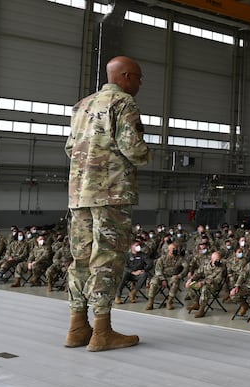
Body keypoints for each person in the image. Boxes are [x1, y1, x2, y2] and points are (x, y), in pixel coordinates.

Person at [64, 56, 150, 352]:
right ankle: (102, 332)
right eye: (138, 78)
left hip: (80, 195)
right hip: (112, 195)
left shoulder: (81, 106)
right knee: (107, 259)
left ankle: (77, 328)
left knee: (81, 259)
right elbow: (133, 149)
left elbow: (69, 148)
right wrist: (146, 154)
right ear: (125, 76)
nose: (139, 84)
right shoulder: (124, 103)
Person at [145, 242, 186, 310]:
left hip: (172, 277)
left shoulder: (180, 259)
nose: (176, 250)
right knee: (153, 282)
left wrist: (179, 275)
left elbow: (186, 267)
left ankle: (169, 302)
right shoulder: (162, 259)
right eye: (173, 249)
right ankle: (150, 302)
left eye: (176, 249)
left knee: (175, 283)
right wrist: (163, 279)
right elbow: (158, 271)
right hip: (161, 276)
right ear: (168, 250)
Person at [185, 251, 226, 318]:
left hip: (214, 285)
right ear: (212, 259)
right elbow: (198, 273)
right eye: (216, 259)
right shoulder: (206, 264)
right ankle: (196, 303)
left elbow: (217, 280)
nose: (218, 261)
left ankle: (202, 309)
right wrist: (191, 280)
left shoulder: (221, 268)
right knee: (190, 285)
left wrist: (203, 282)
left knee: (205, 288)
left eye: (219, 259)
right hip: (202, 282)